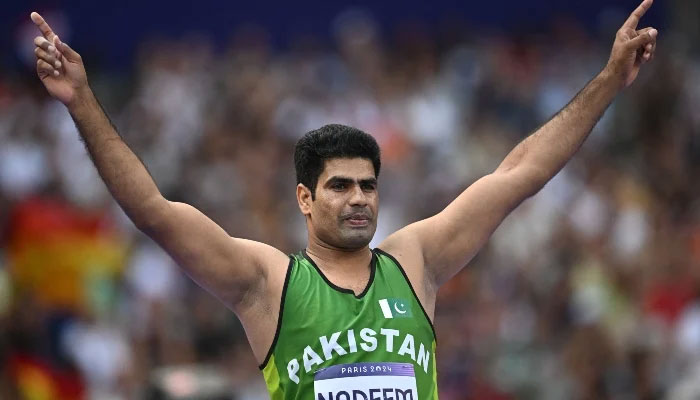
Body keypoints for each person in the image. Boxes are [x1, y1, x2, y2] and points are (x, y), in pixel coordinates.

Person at [30, 0, 658, 398]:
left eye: (368, 185)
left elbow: (520, 172)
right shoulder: (268, 284)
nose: (358, 199)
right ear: (305, 198)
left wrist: (606, 83)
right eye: (339, 186)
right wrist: (82, 102)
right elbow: (154, 213)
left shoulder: (415, 261)